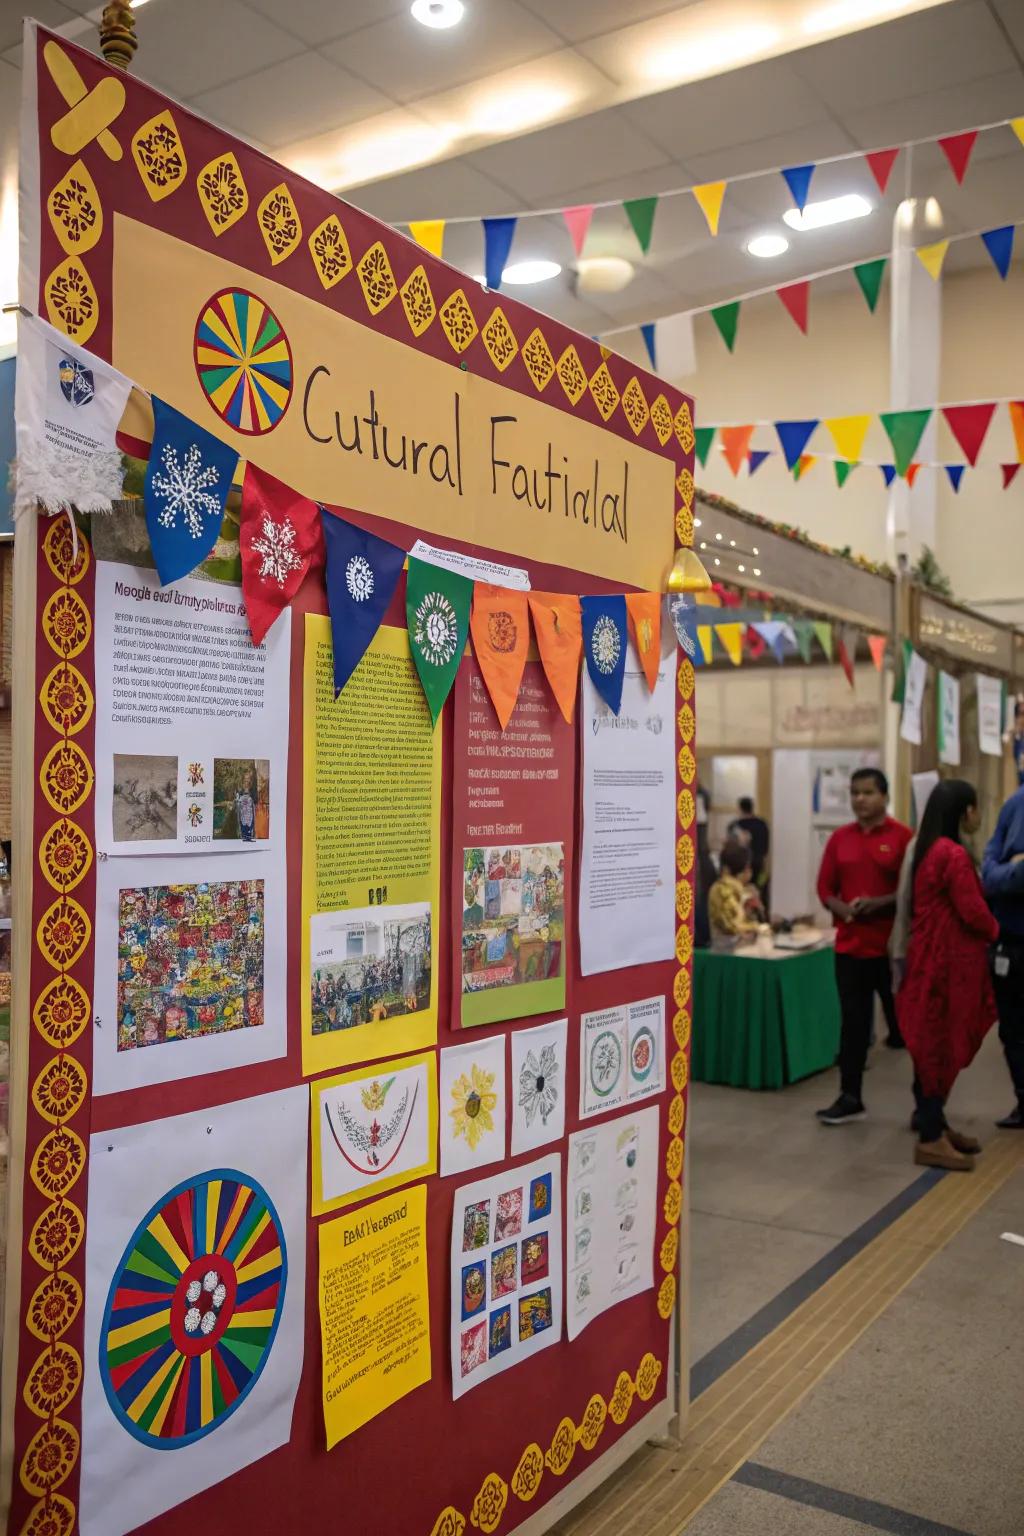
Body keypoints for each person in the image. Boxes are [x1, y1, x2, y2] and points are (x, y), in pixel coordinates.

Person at [897, 780, 998, 1170]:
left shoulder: (929, 849)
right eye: (976, 808)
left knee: (931, 1047)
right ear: (965, 811)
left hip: (930, 962)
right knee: (939, 1048)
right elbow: (972, 911)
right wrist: (996, 929)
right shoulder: (953, 855)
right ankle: (929, 1138)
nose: (978, 816)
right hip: (946, 968)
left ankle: (934, 1124)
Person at [816, 768, 912, 1125]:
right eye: (855, 793)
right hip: (850, 951)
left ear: (884, 796)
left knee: (907, 1027)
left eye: (868, 792)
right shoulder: (840, 838)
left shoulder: (903, 838)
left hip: (892, 952)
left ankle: (927, 1104)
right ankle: (850, 1096)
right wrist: (840, 908)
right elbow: (825, 888)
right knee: (853, 1027)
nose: (860, 799)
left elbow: (912, 891)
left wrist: (879, 903)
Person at [981, 777, 1024, 1128]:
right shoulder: (1015, 804)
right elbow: (989, 873)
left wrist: (1008, 870)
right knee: (1011, 1029)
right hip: (1009, 940)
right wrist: (1012, 867)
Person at [708, 839, 764, 949]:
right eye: (747, 867)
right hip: (726, 951)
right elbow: (731, 926)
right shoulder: (721, 889)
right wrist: (757, 927)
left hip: (745, 948)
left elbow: (755, 917)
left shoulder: (745, 889)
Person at [728, 796, 770, 890]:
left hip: (740, 867)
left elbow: (730, 849)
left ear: (740, 809)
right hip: (759, 864)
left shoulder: (734, 826)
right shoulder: (762, 824)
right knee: (756, 890)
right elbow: (765, 848)